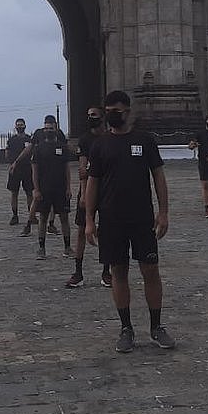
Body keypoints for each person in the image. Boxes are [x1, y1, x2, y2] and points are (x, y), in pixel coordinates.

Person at [85, 90, 175, 353]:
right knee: (118, 273)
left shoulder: (145, 140)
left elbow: (158, 176)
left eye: (117, 110)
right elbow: (92, 183)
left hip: (141, 217)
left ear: (127, 111)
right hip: (112, 218)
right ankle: (126, 328)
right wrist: (90, 219)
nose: (112, 114)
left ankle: (156, 326)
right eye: (108, 110)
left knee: (150, 271)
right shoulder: (99, 145)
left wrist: (164, 211)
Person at [66, 106, 110, 288]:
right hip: (90, 188)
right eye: (88, 115)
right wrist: (83, 193)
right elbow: (83, 169)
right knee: (82, 230)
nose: (90, 117)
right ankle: (78, 271)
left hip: (108, 189)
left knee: (108, 231)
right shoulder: (85, 139)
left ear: (102, 117)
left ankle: (106, 271)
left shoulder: (109, 138)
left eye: (94, 115)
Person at [31, 115, 73, 260]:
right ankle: (41, 248)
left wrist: (68, 187)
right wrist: (36, 189)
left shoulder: (62, 147)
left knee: (64, 218)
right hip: (44, 189)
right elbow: (35, 171)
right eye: (46, 128)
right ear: (44, 129)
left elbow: (67, 169)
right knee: (42, 218)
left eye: (51, 128)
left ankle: (67, 247)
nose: (49, 130)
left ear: (56, 128)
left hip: (60, 189)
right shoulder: (38, 148)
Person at [5, 118, 36, 230]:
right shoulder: (12, 140)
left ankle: (31, 215)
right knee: (14, 193)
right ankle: (15, 215)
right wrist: (11, 163)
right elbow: (7, 152)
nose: (20, 127)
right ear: (15, 126)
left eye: (21, 125)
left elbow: (33, 152)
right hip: (15, 169)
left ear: (25, 126)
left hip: (27, 168)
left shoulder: (29, 139)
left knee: (29, 193)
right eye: (18, 125)